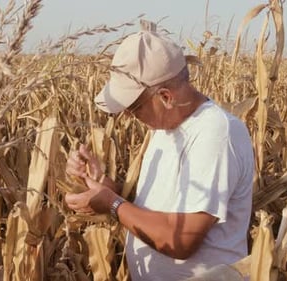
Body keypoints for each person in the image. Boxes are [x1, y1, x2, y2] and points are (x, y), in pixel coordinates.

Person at [64, 30, 254, 280]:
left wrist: (111, 203)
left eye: (133, 107)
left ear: (165, 97)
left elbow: (182, 240)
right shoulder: (165, 127)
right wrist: (103, 185)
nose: (129, 116)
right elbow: (151, 205)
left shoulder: (215, 134)